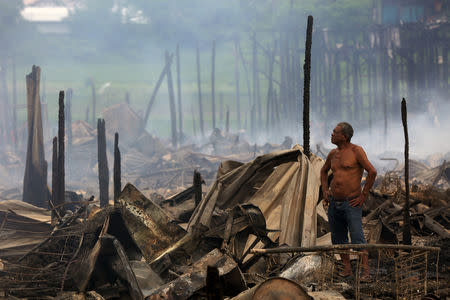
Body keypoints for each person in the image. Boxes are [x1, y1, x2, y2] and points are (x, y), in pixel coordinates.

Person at [320, 122, 377, 281]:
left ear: (344, 136)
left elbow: (372, 171)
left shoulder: (356, 151)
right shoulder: (333, 154)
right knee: (338, 238)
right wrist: (325, 190)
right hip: (334, 202)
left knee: (357, 236)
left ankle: (366, 272)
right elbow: (323, 171)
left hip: (351, 202)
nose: (331, 134)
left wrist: (363, 195)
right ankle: (347, 269)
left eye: (335, 132)